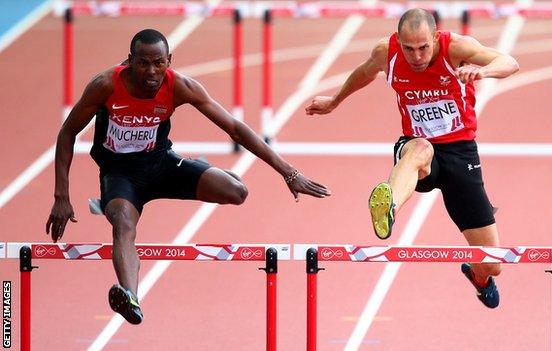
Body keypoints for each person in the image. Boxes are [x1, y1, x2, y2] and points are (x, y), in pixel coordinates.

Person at [46, 29, 331, 324]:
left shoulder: (180, 86)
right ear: (130, 61)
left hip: (161, 165)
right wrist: (61, 197)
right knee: (122, 222)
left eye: (158, 63)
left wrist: (289, 173)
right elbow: (67, 132)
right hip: (121, 176)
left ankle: (202, 169)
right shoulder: (105, 85)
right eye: (143, 63)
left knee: (236, 191)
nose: (151, 71)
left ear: (169, 61)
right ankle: (130, 296)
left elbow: (235, 127)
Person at [305, 9, 519, 308]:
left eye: (422, 48)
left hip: (460, 152)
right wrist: (334, 101)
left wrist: (483, 71)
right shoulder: (387, 52)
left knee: (492, 263)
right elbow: (364, 73)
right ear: (398, 41)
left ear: (434, 38)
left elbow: (510, 62)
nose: (416, 56)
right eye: (408, 48)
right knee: (421, 148)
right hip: (416, 150)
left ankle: (478, 277)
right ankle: (388, 204)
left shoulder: (456, 47)